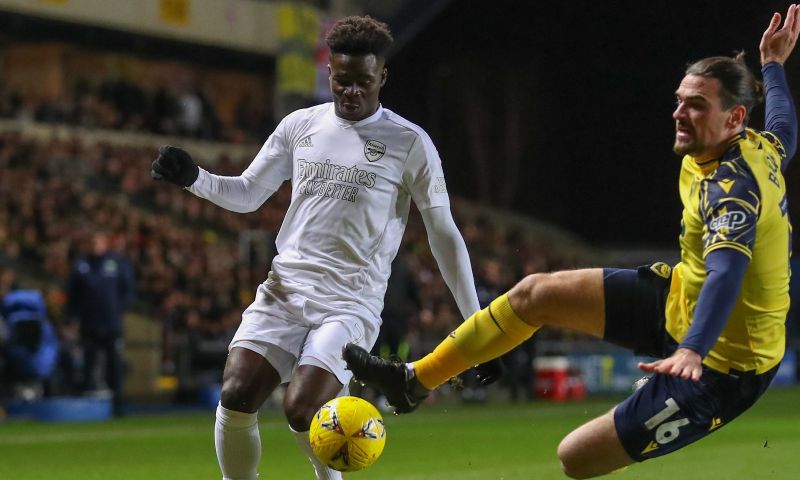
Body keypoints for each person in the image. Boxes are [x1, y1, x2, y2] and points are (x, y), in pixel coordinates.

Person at [344, 5, 800, 479]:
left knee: (576, 457)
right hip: (679, 303)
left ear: (735, 118)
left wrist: (693, 350)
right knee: (534, 294)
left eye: (696, 105)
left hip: (724, 367)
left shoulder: (734, 189)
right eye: (680, 100)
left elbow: (727, 271)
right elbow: (785, 129)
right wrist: (773, 65)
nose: (679, 113)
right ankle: (413, 381)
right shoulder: (755, 146)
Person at [151, 16, 500, 480]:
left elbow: (443, 234)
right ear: (329, 72)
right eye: (341, 80)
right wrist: (195, 179)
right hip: (284, 289)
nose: (350, 91)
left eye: (362, 82)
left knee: (302, 409)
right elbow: (248, 194)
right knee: (235, 395)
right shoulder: (300, 125)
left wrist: (476, 324)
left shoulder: (409, 142)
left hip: (350, 302)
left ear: (382, 78)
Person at [66, 231, 135, 416]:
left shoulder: (117, 263)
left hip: (111, 323)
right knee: (89, 362)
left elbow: (127, 289)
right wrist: (72, 318)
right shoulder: (81, 264)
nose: (94, 246)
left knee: (114, 363)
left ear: (104, 243)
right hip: (89, 323)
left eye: (97, 242)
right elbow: (73, 294)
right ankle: (87, 406)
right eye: (91, 242)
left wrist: (120, 310)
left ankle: (117, 403)